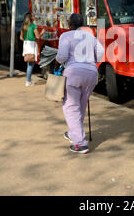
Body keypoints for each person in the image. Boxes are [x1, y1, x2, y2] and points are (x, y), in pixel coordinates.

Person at [56, 13, 104, 154]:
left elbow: (62, 56)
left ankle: (80, 144)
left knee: (71, 107)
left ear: (70, 24)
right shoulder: (89, 36)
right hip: (91, 72)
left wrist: (58, 61)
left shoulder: (66, 36)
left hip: (73, 73)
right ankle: (73, 133)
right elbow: (100, 52)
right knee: (81, 104)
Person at [20, 12, 45, 86]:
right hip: (31, 45)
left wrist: (26, 39)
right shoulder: (33, 26)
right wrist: (42, 32)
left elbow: (21, 37)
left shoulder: (23, 26)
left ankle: (29, 80)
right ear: (31, 18)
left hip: (26, 45)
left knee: (29, 62)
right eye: (33, 16)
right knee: (31, 64)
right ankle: (28, 81)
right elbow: (38, 37)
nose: (35, 17)